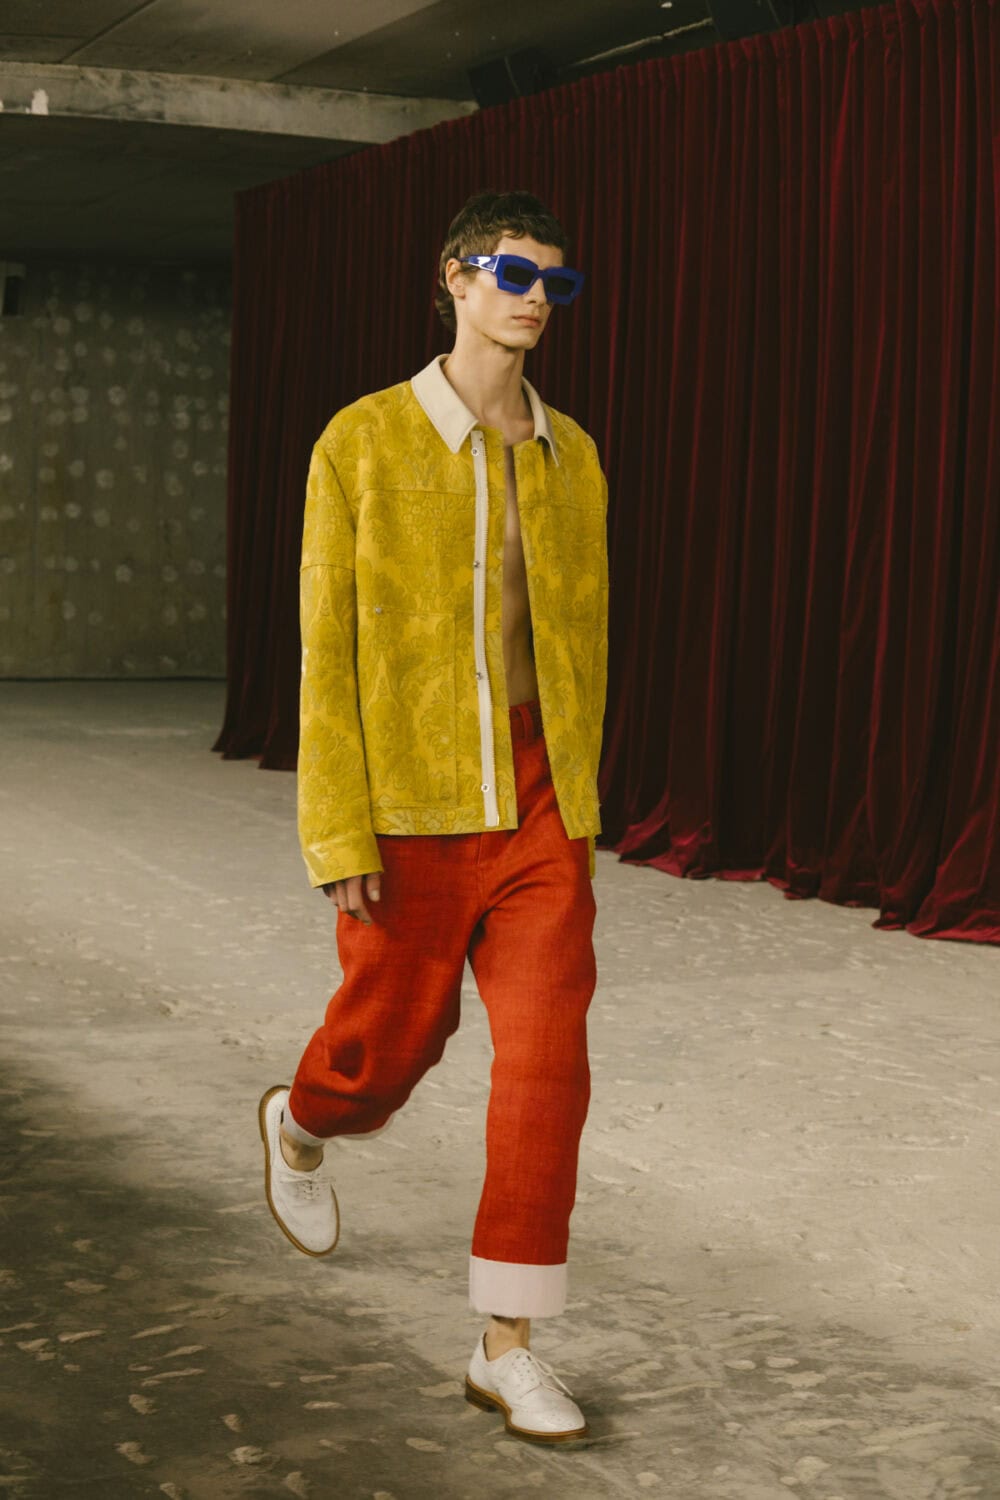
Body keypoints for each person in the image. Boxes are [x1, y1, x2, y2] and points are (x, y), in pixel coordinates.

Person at [258, 189, 609, 1444]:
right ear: (456, 278)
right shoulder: (359, 442)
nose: (534, 298)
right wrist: (336, 828)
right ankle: (303, 1121)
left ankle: (506, 1346)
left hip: (539, 802)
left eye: (554, 283)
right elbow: (325, 650)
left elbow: (581, 643)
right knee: (388, 1048)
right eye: (514, 273)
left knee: (548, 1065)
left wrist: (577, 796)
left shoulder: (572, 457)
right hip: (408, 798)